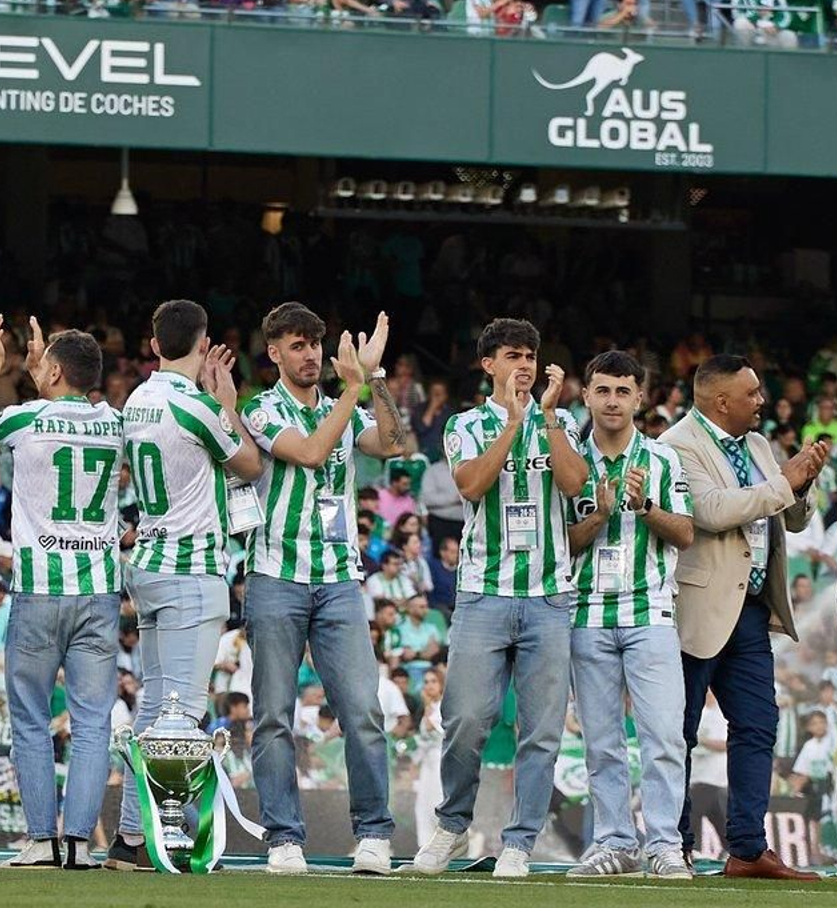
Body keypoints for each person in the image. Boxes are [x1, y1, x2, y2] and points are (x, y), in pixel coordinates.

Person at [412, 317, 587, 879]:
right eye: (513, 355)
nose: (526, 365)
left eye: (531, 355)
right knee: (465, 719)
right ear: (488, 364)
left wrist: (550, 419)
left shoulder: (560, 422)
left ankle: (519, 842)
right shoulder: (464, 424)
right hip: (483, 594)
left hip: (550, 597)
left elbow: (575, 484)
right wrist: (513, 424)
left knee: (541, 730)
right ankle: (452, 826)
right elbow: (469, 485)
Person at [242, 304, 412, 874]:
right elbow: (313, 452)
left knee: (362, 709)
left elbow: (392, 444)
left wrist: (377, 381)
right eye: (297, 345)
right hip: (275, 576)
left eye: (315, 344)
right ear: (274, 353)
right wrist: (352, 389)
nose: (311, 355)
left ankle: (373, 835)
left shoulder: (347, 403)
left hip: (339, 577)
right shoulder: (261, 408)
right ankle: (283, 838)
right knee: (273, 714)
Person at [108, 299, 263, 870]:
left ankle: (132, 837)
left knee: (155, 709)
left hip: (147, 563)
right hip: (190, 570)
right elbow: (249, 465)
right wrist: (227, 402)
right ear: (203, 348)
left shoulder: (137, 400)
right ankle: (175, 838)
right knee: (182, 716)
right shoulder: (197, 405)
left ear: (153, 346)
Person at [666, 354, 830, 879]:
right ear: (721, 402)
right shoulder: (676, 445)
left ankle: (746, 848)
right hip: (697, 608)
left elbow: (793, 518)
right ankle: (675, 845)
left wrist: (801, 483)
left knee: (758, 725)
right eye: (753, 393)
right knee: (681, 731)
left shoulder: (758, 445)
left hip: (752, 609)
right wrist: (785, 482)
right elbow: (711, 511)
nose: (762, 400)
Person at [0, 318, 122, 870]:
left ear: (52, 370)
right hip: (100, 590)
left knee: (31, 719)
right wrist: (46, 373)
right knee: (91, 721)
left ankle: (40, 841)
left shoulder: (28, 416)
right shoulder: (114, 421)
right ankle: (81, 843)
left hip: (38, 589)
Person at [563, 350, 695, 880]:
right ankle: (614, 842)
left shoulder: (662, 460)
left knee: (664, 736)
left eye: (623, 391)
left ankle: (664, 844)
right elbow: (562, 544)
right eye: (603, 390)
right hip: (586, 613)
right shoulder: (569, 461)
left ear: (639, 398)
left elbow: (686, 533)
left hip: (651, 615)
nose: (612, 401)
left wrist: (644, 508)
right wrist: (597, 514)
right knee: (601, 742)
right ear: (587, 395)